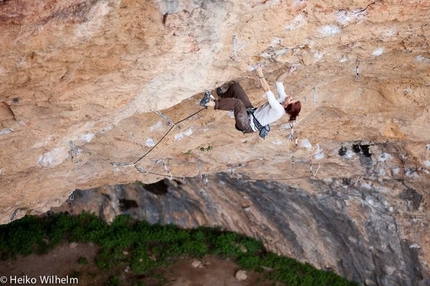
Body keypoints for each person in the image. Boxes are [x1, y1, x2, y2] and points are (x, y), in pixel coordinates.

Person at [200, 65, 301, 137]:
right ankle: (222, 97)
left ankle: (209, 102)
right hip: (250, 112)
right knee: (236, 87)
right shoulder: (284, 99)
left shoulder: (279, 110)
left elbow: (267, 90)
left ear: (287, 105)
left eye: (291, 99)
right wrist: (288, 72)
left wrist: (259, 72)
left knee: (238, 103)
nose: (290, 96)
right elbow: (279, 81)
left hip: (247, 124)